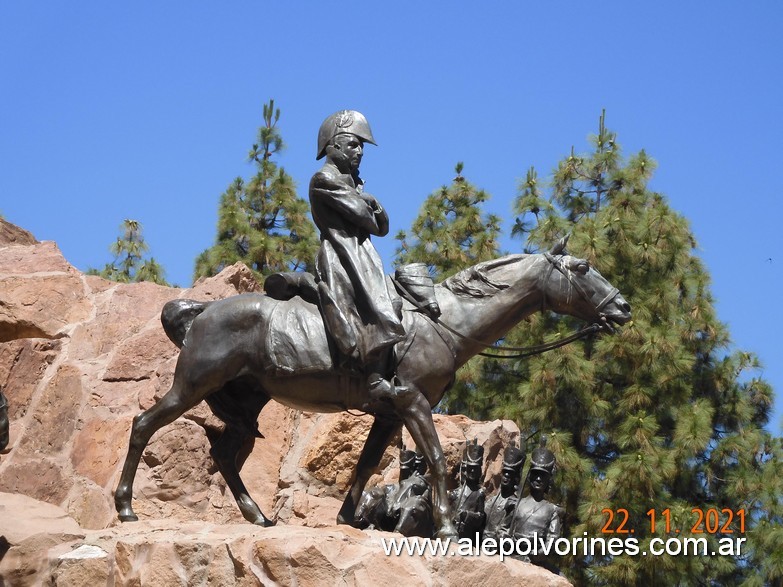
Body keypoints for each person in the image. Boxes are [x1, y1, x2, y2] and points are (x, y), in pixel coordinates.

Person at [309, 110, 407, 402]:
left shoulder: (354, 183)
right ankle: (371, 376)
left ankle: (383, 371)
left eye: (362, 146)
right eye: (353, 144)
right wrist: (368, 202)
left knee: (393, 301)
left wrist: (370, 200)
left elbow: (382, 227)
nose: (360, 151)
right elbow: (367, 219)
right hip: (341, 256)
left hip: (360, 256)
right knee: (372, 306)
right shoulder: (324, 179)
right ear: (333, 146)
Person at [501, 445, 564, 571]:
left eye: (543, 476)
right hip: (512, 556)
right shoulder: (515, 504)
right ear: (529, 476)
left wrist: (537, 554)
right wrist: (505, 540)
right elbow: (503, 529)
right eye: (535, 474)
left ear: (549, 480)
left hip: (535, 562)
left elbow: (552, 539)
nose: (538, 479)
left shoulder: (553, 510)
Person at [483, 443, 525, 542]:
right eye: (505, 473)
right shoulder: (491, 500)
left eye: (510, 474)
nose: (506, 476)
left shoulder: (515, 506)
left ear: (516, 479)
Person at [449, 439, 486, 542]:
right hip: (452, 534)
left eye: (475, 468)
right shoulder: (457, 492)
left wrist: (467, 515)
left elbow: (481, 517)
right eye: (470, 468)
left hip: (467, 537)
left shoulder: (479, 494)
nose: (472, 471)